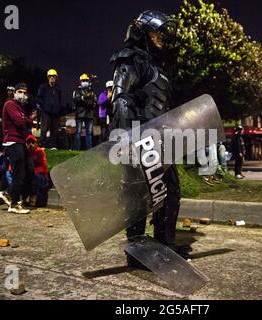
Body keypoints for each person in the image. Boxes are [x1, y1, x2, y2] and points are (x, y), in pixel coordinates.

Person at [110, 10, 186, 267]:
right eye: (156, 31)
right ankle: (137, 251)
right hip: (138, 140)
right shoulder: (131, 60)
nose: (161, 36)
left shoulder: (158, 68)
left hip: (162, 141)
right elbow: (120, 100)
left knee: (171, 191)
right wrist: (125, 141)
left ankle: (165, 245)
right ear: (142, 32)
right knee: (138, 195)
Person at [0, 83, 36, 214]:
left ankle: (7, 193)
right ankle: (13, 203)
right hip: (12, 143)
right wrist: (27, 119)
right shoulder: (10, 104)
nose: (22, 95)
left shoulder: (20, 107)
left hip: (20, 142)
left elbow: (24, 123)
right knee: (19, 174)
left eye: (25, 92)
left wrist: (26, 120)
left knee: (26, 170)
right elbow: (20, 122)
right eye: (20, 91)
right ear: (14, 92)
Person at [36, 69, 62, 150]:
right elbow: (38, 98)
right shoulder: (43, 87)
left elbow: (59, 100)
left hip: (55, 113)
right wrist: (43, 106)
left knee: (54, 130)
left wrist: (58, 109)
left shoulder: (58, 88)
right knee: (44, 129)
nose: (52, 78)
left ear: (56, 77)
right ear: (48, 77)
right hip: (46, 112)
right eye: (50, 76)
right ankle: (41, 145)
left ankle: (52, 146)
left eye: (54, 76)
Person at [72, 74, 97, 150]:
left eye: (86, 80)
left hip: (89, 114)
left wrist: (92, 103)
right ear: (80, 82)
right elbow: (75, 99)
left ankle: (89, 150)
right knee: (78, 132)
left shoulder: (91, 91)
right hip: (80, 114)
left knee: (89, 133)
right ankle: (77, 149)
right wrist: (83, 97)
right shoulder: (77, 90)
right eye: (83, 81)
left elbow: (95, 101)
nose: (85, 82)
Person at [24, 135, 49, 207]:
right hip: (29, 174)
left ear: (36, 143)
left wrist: (33, 171)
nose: (30, 144)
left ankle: (33, 197)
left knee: (36, 178)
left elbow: (44, 167)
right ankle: (22, 198)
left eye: (32, 142)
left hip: (40, 175)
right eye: (28, 143)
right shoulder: (25, 152)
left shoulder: (40, 151)